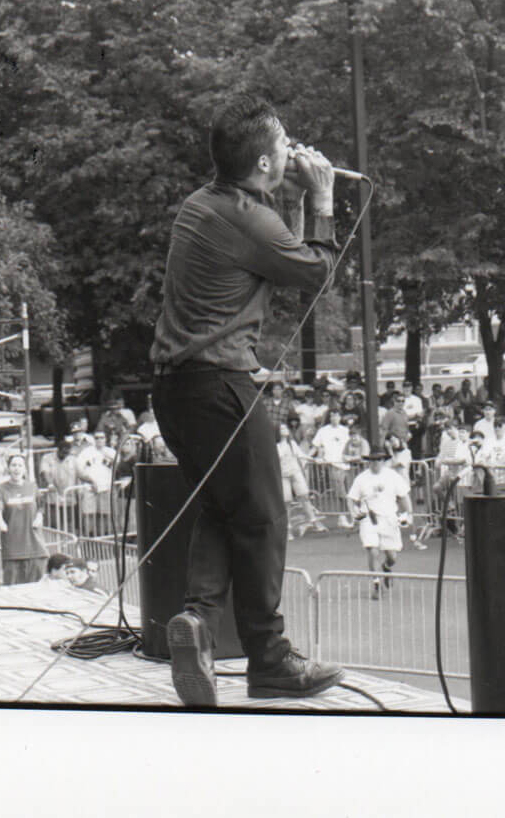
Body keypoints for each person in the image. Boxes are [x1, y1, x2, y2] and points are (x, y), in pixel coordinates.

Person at [148, 95, 344, 705]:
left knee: (223, 508)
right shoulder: (250, 219)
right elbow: (317, 273)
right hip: (220, 384)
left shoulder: (199, 205)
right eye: (285, 146)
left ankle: (198, 623)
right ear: (263, 162)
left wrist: (290, 187)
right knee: (263, 518)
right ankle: (271, 660)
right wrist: (323, 198)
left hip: (174, 390)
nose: (293, 151)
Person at [347, 451, 413, 599]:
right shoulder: (361, 478)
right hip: (369, 519)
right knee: (372, 550)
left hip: (389, 519)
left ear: (383, 461)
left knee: (392, 556)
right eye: (372, 460)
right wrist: (353, 513)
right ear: (368, 462)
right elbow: (351, 499)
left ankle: (386, 567)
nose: (375, 463)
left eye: (378, 460)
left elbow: (404, 496)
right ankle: (376, 583)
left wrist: (409, 513)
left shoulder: (392, 476)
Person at [0, 454, 46, 586]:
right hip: (13, 546)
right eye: (13, 465)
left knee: (36, 586)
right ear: (8, 468)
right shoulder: (0, 489)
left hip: (34, 544)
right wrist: (0, 522)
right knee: (13, 587)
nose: (16, 468)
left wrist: (39, 517)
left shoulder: (32, 487)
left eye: (20, 465)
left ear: (25, 468)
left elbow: (41, 506)